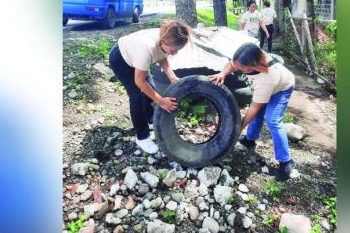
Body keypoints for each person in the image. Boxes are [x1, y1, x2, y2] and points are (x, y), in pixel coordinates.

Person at [208, 43, 296, 181]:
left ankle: (286, 161)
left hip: (282, 88)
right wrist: (223, 73)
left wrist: (239, 127)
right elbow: (232, 64)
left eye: (241, 67)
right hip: (269, 86)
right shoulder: (247, 56)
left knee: (272, 119)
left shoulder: (266, 78)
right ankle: (250, 140)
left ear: (253, 65)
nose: (238, 68)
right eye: (238, 64)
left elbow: (254, 107)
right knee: (258, 114)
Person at [108, 20, 191, 154]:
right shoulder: (146, 48)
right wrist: (161, 101)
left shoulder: (166, 39)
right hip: (121, 59)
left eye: (177, 51)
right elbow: (139, 81)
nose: (174, 53)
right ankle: (142, 137)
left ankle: (150, 119)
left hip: (136, 56)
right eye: (173, 50)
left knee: (150, 88)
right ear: (163, 42)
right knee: (137, 97)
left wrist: (172, 77)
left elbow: (163, 56)